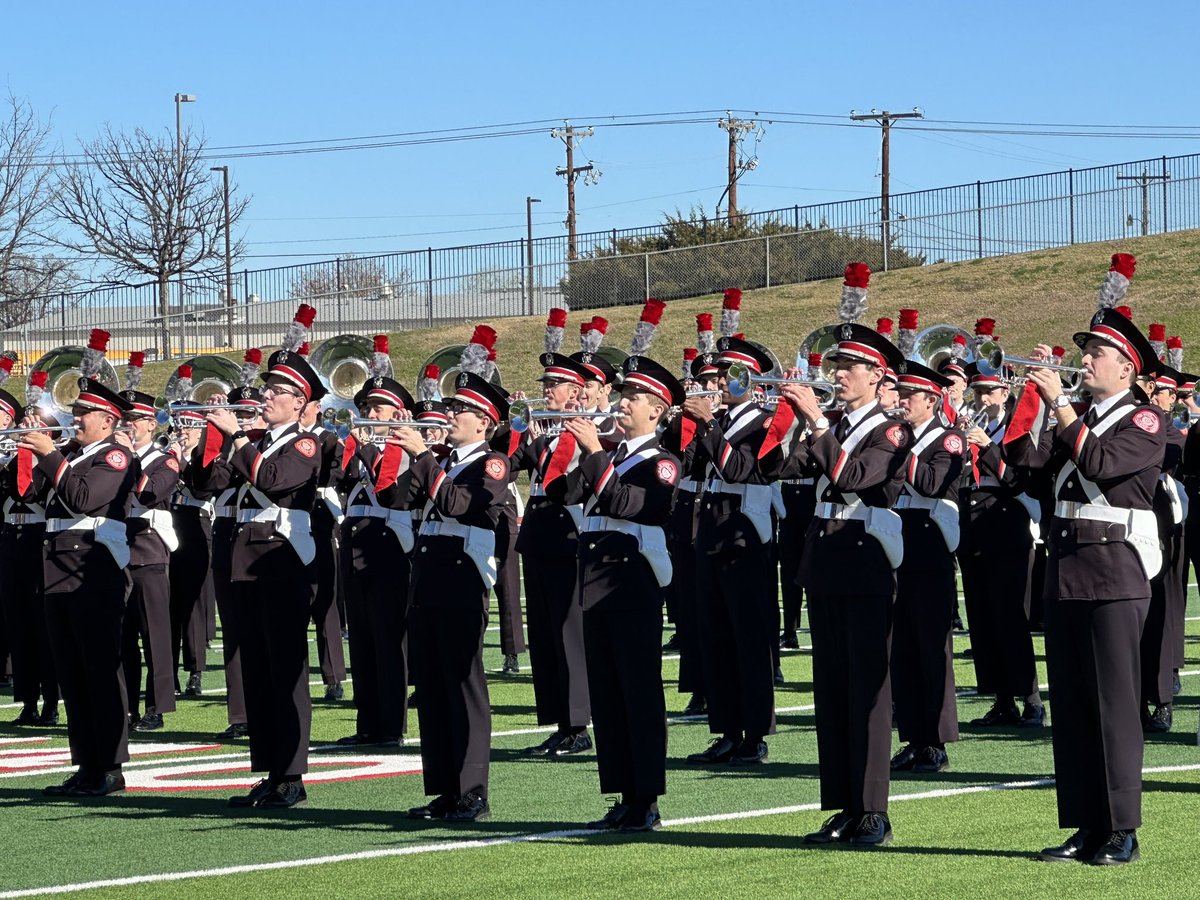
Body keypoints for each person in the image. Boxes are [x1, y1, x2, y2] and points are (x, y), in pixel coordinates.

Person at [1003, 306, 1163, 865]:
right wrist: (1030, 399)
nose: (1085, 360)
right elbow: (1022, 462)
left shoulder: (1143, 421)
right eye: (1085, 352)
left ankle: (1121, 829)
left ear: (1128, 369)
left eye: (1097, 353)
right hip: (1066, 570)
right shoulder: (1079, 417)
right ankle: (1085, 823)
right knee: (1072, 709)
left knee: (1114, 706)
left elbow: (1098, 463)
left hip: (1114, 573)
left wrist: (1062, 405)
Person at [779, 322, 910, 847]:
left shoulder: (890, 431)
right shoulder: (829, 424)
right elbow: (777, 468)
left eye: (848, 367)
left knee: (868, 691)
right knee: (832, 691)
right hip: (826, 558)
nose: (837, 375)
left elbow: (854, 478)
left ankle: (873, 810)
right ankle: (842, 805)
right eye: (836, 366)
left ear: (876, 375)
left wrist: (815, 422)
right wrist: (790, 422)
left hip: (864, 559)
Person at [194, 349, 326, 809]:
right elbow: (205, 483)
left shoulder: (303, 445)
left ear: (299, 402)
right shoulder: (253, 441)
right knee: (257, 670)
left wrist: (236, 437)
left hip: (281, 563)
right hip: (244, 563)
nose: (266, 397)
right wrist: (210, 438)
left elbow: (271, 479)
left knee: (286, 670)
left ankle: (291, 775)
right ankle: (270, 772)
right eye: (267, 389)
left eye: (277, 391)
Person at [562, 355, 684, 832]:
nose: (622, 403)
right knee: (608, 695)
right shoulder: (611, 455)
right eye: (624, 394)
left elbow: (628, 504)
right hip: (597, 583)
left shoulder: (662, 463)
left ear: (657, 410)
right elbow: (565, 493)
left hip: (630, 584)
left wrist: (594, 451)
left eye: (633, 397)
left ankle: (645, 798)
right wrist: (577, 447)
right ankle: (622, 793)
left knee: (638, 692)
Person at [397, 370, 511, 824]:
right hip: (428, 579)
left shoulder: (492, 463)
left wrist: (424, 456)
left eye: (461, 409)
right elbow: (398, 498)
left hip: (462, 580)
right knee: (432, 688)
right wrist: (398, 453)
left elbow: (457, 504)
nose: (450, 415)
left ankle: (472, 792)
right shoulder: (442, 461)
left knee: (464, 687)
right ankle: (445, 789)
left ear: (484, 421)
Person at [23, 378, 136, 797]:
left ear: (107, 420)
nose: (75, 419)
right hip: (57, 569)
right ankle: (87, 764)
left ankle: (110, 766)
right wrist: (32, 453)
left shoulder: (115, 456)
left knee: (99, 671)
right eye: (75, 412)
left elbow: (83, 498)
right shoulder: (72, 454)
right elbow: (32, 495)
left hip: (93, 572)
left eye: (83, 413)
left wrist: (51, 455)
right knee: (72, 673)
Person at [684, 336, 783, 767]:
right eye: (719, 375)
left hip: (744, 532)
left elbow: (739, 469)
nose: (719, 382)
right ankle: (726, 730)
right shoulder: (719, 420)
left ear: (751, 380)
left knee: (749, 635)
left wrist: (708, 426)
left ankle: (755, 734)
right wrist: (688, 426)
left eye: (730, 374)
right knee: (716, 635)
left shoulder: (765, 423)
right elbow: (687, 464)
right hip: (712, 529)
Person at [511, 351, 597, 758]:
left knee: (568, 633)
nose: (546, 390)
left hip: (567, 536)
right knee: (545, 636)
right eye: (545, 384)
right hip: (540, 534)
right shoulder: (547, 432)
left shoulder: (589, 429)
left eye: (553, 385)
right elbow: (512, 463)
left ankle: (578, 725)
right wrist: (518, 428)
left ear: (575, 392)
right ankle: (560, 722)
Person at [888, 361, 963, 774]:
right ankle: (914, 737)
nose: (901, 402)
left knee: (932, 647)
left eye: (909, 396)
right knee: (902, 649)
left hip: (929, 545)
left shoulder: (948, 438)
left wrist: (900, 448)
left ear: (932, 400)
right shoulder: (898, 436)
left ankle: (936, 741)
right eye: (900, 394)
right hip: (897, 541)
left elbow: (932, 483)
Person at [960, 363, 1045, 727]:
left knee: (1011, 619)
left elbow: (1019, 482)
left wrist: (988, 448)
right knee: (983, 621)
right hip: (973, 528)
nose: (981, 398)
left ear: (1004, 394)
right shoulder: (972, 424)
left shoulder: (1014, 431)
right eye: (977, 392)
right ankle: (1002, 700)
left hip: (1006, 527)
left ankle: (1032, 701)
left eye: (988, 392)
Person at [336, 375, 418, 747]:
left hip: (387, 547)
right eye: (367, 407)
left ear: (398, 413)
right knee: (362, 640)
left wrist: (366, 447)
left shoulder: (404, 448)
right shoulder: (359, 445)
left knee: (388, 640)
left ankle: (390, 726)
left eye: (378, 408)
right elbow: (338, 479)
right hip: (356, 543)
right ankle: (367, 722)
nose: (369, 414)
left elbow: (390, 493)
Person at [120, 388, 181, 732]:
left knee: (154, 634)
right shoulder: (113, 456)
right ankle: (126, 706)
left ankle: (156, 707)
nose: (127, 425)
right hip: (116, 552)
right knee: (122, 638)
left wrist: (129, 458)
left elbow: (149, 493)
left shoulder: (164, 460)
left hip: (148, 552)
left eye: (133, 419)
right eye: (123, 418)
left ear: (150, 423)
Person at [0, 388, 58, 726]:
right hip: (10, 539)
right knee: (18, 624)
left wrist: (35, 454)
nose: (26, 428)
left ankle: (51, 701)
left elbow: (38, 492)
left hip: (39, 540)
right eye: (24, 423)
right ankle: (28, 701)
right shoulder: (7, 458)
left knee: (42, 625)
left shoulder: (53, 459)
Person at [299, 395, 348, 701]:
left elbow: (337, 474)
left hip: (318, 519)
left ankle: (333, 676)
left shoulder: (329, 439)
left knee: (324, 603)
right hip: (287, 523)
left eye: (305, 404)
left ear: (317, 408)